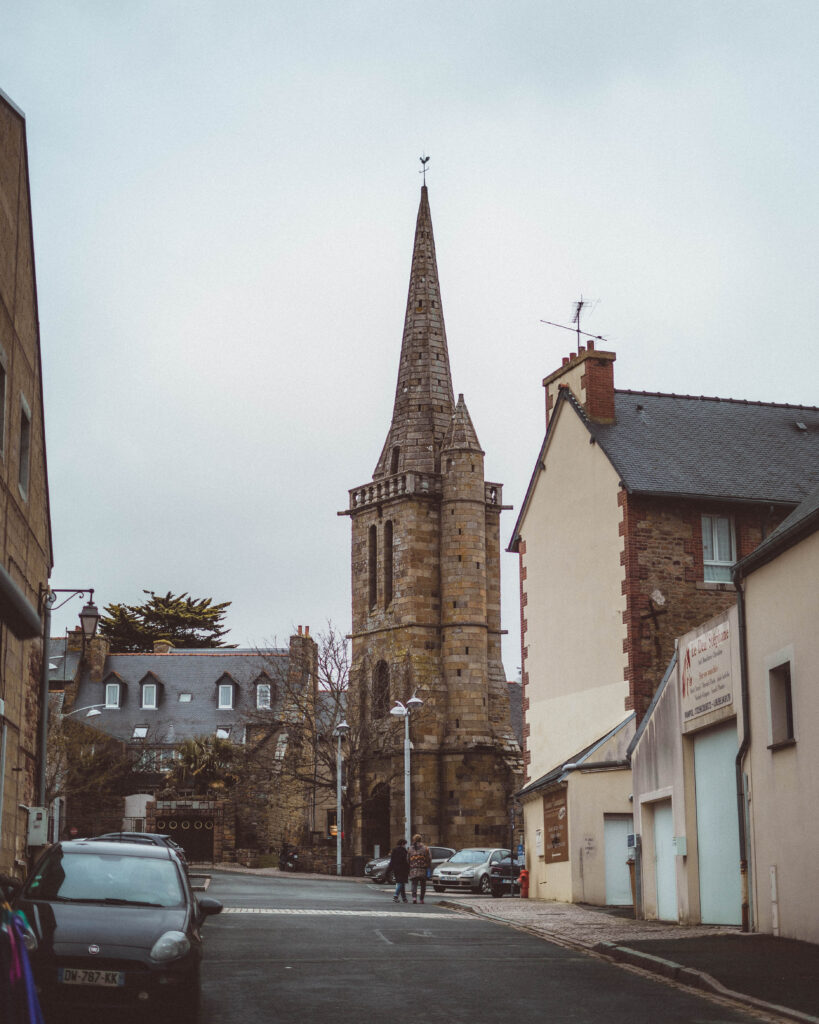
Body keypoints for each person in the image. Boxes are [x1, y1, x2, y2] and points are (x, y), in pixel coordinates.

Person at [408, 833, 432, 904]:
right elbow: (429, 858)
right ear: (421, 840)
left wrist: (411, 865)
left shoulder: (410, 848)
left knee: (414, 884)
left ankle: (414, 897)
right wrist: (428, 865)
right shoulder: (426, 848)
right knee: (423, 885)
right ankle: (421, 899)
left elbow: (408, 859)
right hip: (423, 869)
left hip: (413, 869)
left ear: (414, 840)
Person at [387, 838, 409, 903]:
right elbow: (405, 861)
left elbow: (392, 860)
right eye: (405, 844)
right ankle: (395, 896)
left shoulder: (394, 850)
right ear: (402, 844)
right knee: (400, 883)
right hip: (403, 869)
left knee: (401, 883)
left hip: (396, 869)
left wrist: (390, 869)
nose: (405, 845)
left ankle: (404, 898)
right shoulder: (403, 851)